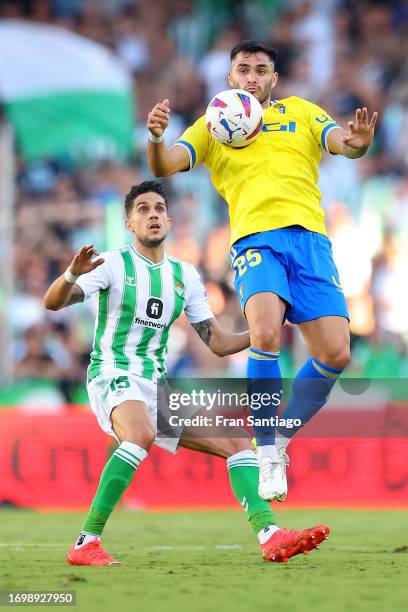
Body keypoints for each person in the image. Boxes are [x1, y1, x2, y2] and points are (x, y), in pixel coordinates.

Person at [43, 180, 329, 565]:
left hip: (157, 386)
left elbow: (217, 342)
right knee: (140, 434)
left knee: (237, 443)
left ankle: (270, 535)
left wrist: (263, 332)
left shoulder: (184, 275)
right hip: (113, 372)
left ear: (170, 220)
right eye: (142, 209)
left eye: (159, 208)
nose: (153, 215)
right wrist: (71, 276)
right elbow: (52, 302)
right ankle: (85, 542)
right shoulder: (111, 263)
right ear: (129, 223)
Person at [146, 40, 378, 502]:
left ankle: (281, 436)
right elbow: (167, 164)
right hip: (256, 240)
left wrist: (358, 144)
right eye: (243, 69)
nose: (251, 77)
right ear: (231, 77)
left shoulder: (303, 112)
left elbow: (344, 145)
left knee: (335, 354)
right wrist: (155, 138)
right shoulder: (214, 123)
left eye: (261, 70)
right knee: (266, 334)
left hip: (312, 242)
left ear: (274, 78)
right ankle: (267, 452)